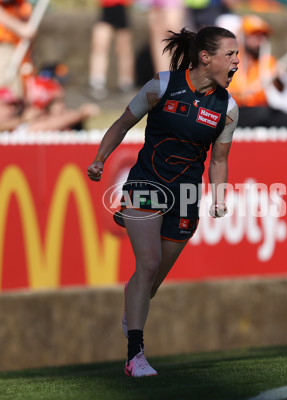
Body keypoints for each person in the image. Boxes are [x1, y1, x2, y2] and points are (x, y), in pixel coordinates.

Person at [86, 25, 239, 377]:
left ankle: (133, 310)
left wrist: (218, 197)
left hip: (186, 195)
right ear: (206, 57)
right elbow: (123, 123)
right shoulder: (162, 85)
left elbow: (218, 160)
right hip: (146, 183)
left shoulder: (227, 108)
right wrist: (100, 159)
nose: (236, 62)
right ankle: (135, 355)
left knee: (150, 281)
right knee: (149, 263)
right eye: (230, 55)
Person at [229, 14, 287, 128]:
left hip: (261, 109)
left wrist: (278, 78)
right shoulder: (230, 61)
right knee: (260, 114)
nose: (260, 40)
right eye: (255, 35)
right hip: (236, 111)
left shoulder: (269, 62)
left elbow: (281, 90)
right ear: (242, 36)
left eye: (263, 35)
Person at [89, 0, 135, 100]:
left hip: (122, 7)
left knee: (124, 47)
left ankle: (126, 83)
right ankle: (97, 82)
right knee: (100, 44)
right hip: (106, 7)